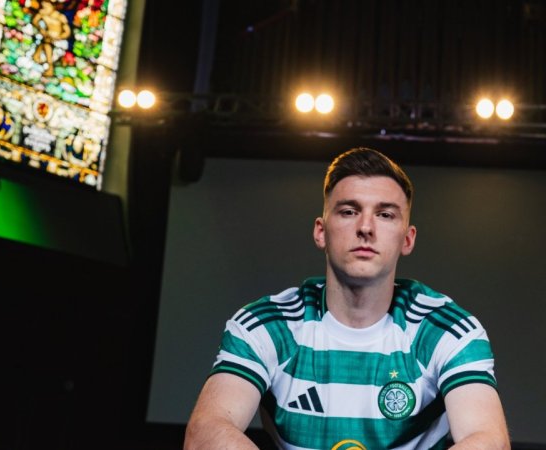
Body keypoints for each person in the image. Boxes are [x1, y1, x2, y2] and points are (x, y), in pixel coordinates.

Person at [184, 148, 510, 449]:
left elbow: (488, 441)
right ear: (321, 231)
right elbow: (205, 432)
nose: (365, 227)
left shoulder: (446, 330)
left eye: (385, 214)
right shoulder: (266, 326)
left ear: (407, 239)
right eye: (349, 211)